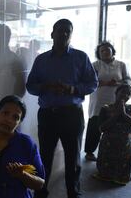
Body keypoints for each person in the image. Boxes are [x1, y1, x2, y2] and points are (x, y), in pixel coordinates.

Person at [26, 19, 98, 198]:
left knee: (73, 159)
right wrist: (45, 86)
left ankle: (73, 193)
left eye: (68, 31)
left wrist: (73, 89)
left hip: (72, 114)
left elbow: (93, 83)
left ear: (71, 35)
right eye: (60, 31)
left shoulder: (81, 57)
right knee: (44, 158)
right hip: (47, 115)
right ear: (52, 34)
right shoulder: (41, 59)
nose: (64, 34)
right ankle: (40, 193)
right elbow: (30, 86)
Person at [84, 41, 131, 161]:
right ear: (99, 53)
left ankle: (112, 152)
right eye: (102, 51)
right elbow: (88, 81)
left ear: (112, 51)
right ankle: (90, 152)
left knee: (113, 125)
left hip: (115, 100)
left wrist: (119, 84)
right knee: (95, 124)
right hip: (98, 101)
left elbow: (128, 80)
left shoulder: (121, 65)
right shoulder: (95, 65)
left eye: (107, 50)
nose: (105, 52)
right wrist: (106, 83)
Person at [93, 84, 131, 185]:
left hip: (126, 146)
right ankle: (106, 172)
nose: (125, 95)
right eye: (123, 92)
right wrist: (116, 115)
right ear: (116, 93)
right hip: (108, 144)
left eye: (129, 94)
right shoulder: (105, 108)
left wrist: (124, 115)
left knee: (123, 173)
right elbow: (101, 129)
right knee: (105, 172)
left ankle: (122, 174)